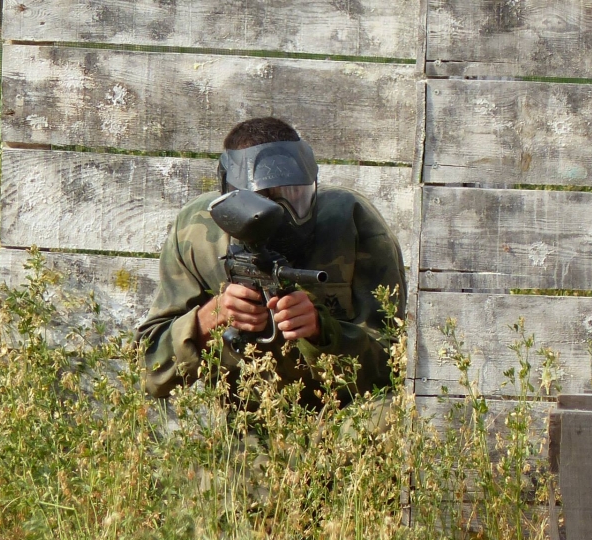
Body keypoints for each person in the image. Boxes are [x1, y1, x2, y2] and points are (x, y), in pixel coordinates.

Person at [135, 117, 406, 411]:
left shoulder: (351, 222)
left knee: (386, 414)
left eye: (294, 195)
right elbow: (149, 373)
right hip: (244, 424)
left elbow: (391, 365)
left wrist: (322, 332)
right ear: (231, 197)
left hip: (344, 415)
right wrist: (208, 320)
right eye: (262, 201)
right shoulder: (197, 234)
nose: (281, 217)